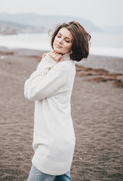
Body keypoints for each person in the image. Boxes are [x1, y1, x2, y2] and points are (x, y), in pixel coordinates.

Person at [24, 21, 91, 181]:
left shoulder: (62, 68)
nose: (59, 41)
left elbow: (31, 92)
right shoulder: (62, 65)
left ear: (73, 47)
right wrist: (48, 64)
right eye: (59, 36)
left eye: (67, 40)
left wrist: (44, 64)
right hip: (60, 140)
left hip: (52, 144)